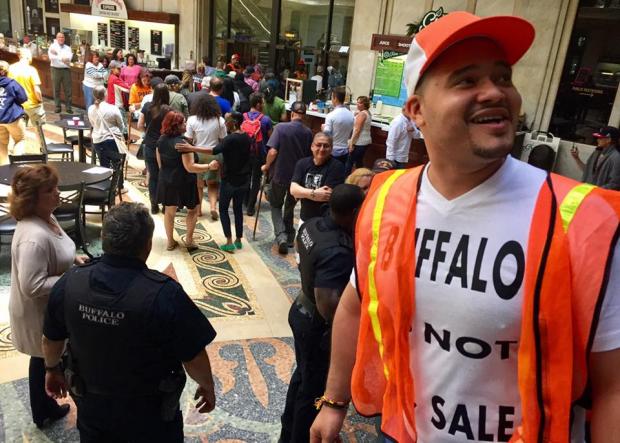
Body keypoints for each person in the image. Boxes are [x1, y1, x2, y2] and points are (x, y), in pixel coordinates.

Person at [310, 12, 620, 443]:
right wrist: (334, 401)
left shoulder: (584, 220)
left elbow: (612, 384)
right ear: (417, 110)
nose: (494, 92)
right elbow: (354, 303)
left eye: (503, 78)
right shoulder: (386, 199)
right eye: (466, 80)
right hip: (403, 433)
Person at [41, 202, 217, 442]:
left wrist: (51, 368)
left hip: (93, 406)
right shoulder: (164, 294)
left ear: (104, 239)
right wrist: (207, 385)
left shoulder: (70, 283)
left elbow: (51, 340)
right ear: (146, 245)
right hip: (149, 413)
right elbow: (193, 355)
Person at [280, 184, 364, 443]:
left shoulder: (312, 224)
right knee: (314, 391)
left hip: (299, 308)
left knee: (303, 375)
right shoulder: (338, 250)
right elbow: (326, 301)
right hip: (316, 323)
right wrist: (342, 333)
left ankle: (287, 434)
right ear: (354, 211)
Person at [8, 164, 83, 428]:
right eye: (50, 190)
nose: (58, 193)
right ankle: (43, 410)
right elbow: (32, 285)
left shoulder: (45, 218)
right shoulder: (33, 237)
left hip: (49, 307)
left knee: (41, 359)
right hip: (36, 312)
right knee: (43, 359)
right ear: (33, 199)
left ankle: (44, 407)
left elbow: (58, 248)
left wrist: (73, 258)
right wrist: (71, 277)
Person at [178, 112, 252, 252]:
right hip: (244, 180)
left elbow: (213, 150)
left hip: (229, 180)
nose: (225, 123)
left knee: (223, 209)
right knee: (238, 210)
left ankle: (229, 241)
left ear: (234, 122)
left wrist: (192, 148)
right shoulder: (247, 138)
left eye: (228, 120)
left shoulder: (230, 139)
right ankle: (238, 239)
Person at [157, 111, 214, 250]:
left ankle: (170, 242)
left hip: (167, 180)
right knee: (193, 210)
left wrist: (166, 175)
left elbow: (159, 162)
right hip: (184, 182)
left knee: (169, 211)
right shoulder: (183, 144)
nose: (185, 124)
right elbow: (190, 167)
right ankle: (189, 240)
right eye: (183, 122)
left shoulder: (161, 139)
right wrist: (209, 166)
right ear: (177, 125)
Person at [262, 101, 313, 254]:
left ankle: (281, 236)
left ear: (292, 113)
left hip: (279, 174)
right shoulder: (308, 132)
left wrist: (266, 166)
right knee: (289, 206)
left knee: (276, 205)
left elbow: (272, 152)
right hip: (297, 178)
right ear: (304, 115)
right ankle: (290, 236)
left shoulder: (281, 128)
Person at [184, 93, 227, 219]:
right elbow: (223, 139)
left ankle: (199, 210)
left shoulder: (192, 120)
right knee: (213, 184)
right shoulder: (220, 120)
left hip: (197, 154)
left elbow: (189, 139)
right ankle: (213, 207)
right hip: (214, 154)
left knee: (199, 185)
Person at [290, 132, 345, 225]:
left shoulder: (337, 166)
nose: (322, 149)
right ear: (312, 146)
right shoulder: (302, 163)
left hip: (325, 221)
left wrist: (302, 192)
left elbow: (325, 195)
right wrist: (314, 193)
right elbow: (293, 190)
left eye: (326, 146)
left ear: (331, 149)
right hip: (304, 218)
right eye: (318, 145)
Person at [139, 83, 171, 213]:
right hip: (165, 147)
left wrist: (148, 131)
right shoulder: (169, 110)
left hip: (150, 145)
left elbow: (140, 124)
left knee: (153, 176)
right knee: (165, 176)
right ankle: (165, 205)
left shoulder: (147, 107)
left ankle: (153, 204)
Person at [88, 85, 126, 190]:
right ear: (105, 94)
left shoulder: (91, 109)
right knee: (117, 164)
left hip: (97, 140)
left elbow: (92, 124)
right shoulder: (113, 108)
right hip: (111, 140)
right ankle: (119, 186)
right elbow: (121, 125)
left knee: (103, 165)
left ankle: (105, 187)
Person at [243, 92, 273, 216]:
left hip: (245, 153)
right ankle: (251, 206)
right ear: (258, 104)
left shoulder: (243, 117)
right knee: (256, 180)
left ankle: (245, 200)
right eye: (263, 102)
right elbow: (271, 139)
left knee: (246, 177)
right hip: (259, 154)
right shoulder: (265, 120)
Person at [9, 48, 46, 138]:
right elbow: (37, 90)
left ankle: (21, 148)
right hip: (32, 105)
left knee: (20, 132)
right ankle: (42, 149)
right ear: (27, 57)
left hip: (17, 104)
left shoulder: (11, 68)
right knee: (39, 130)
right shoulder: (31, 70)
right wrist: (40, 101)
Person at [571, 126, 620, 190]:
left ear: (609, 140)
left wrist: (595, 191)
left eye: (600, 138)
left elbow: (615, 184)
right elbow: (587, 170)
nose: (597, 140)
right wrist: (577, 158)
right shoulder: (597, 152)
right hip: (586, 192)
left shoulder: (616, 158)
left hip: (599, 197)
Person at [0, 60, 27, 164]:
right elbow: (23, 98)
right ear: (6, 71)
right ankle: (16, 166)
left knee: (2, 143)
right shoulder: (12, 83)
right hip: (12, 118)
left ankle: (3, 170)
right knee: (20, 140)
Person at [322, 86, 354, 163]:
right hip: (345, 151)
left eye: (332, 97)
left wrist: (323, 129)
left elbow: (327, 135)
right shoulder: (351, 115)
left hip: (332, 151)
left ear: (335, 98)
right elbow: (351, 133)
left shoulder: (331, 115)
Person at [345, 96, 372, 175]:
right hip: (366, 141)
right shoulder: (367, 113)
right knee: (359, 162)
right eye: (357, 102)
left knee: (349, 162)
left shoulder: (362, 114)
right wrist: (356, 113)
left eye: (360, 103)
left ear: (365, 104)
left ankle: (345, 179)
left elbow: (357, 130)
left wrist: (351, 143)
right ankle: (362, 178)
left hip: (359, 142)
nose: (357, 104)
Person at [48, 32, 73, 113]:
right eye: (59, 37)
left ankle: (68, 107)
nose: (61, 39)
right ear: (57, 38)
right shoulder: (52, 47)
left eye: (62, 37)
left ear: (64, 39)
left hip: (66, 70)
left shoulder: (68, 48)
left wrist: (58, 56)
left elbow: (68, 59)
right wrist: (62, 58)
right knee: (56, 89)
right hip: (55, 69)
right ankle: (57, 106)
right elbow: (51, 57)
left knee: (68, 90)